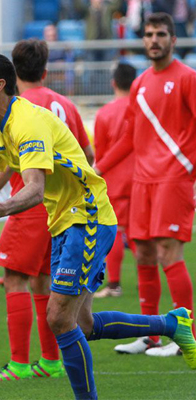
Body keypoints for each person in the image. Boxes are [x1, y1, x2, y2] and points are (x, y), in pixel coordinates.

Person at [0, 51, 196, 399]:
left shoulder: (27, 122)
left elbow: (35, 188)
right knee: (82, 324)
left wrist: (1, 208)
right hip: (63, 222)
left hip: (87, 216)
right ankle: (173, 323)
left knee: (59, 318)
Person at [0, 38, 94, 383]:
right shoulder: (64, 104)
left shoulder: (18, 108)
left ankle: (18, 365)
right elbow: (87, 155)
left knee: (14, 278)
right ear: (44, 68)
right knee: (43, 279)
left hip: (27, 204)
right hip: (62, 208)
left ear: (8, 72)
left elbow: (14, 163)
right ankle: (51, 360)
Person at [95, 13, 196, 357]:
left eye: (161, 34)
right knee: (145, 256)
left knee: (170, 252)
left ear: (173, 39)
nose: (154, 39)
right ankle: (151, 333)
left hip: (174, 178)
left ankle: (186, 336)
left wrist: (189, 170)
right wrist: (99, 167)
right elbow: (129, 138)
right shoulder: (138, 84)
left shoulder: (187, 78)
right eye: (149, 34)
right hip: (143, 180)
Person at [92, 63, 137, 299]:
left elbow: (100, 150)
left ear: (113, 83)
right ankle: (146, 276)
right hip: (142, 179)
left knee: (116, 231)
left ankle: (114, 284)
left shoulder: (105, 113)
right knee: (138, 232)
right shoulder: (142, 109)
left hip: (115, 181)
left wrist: (97, 170)